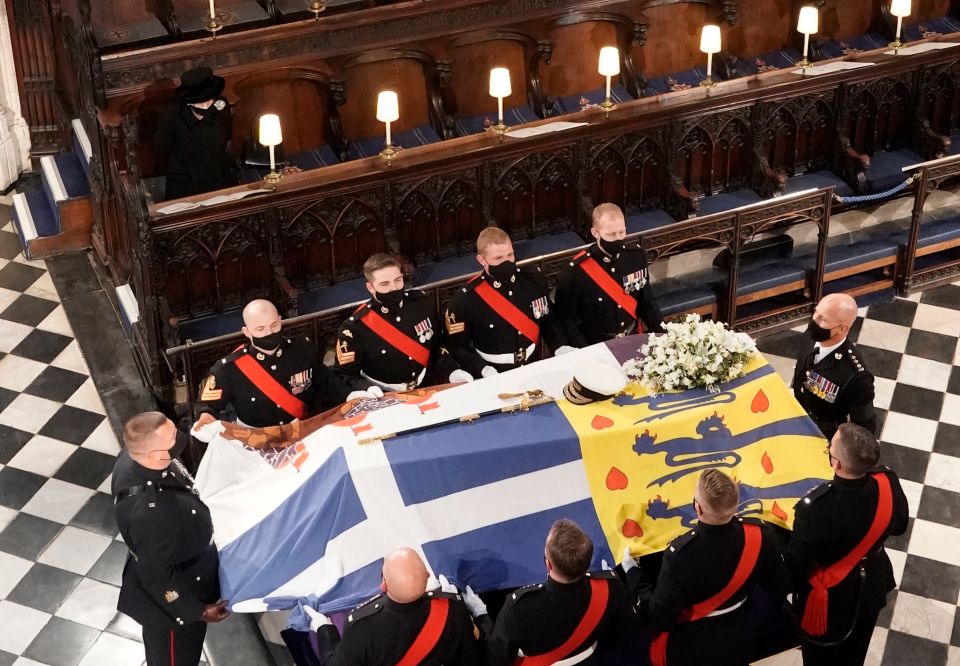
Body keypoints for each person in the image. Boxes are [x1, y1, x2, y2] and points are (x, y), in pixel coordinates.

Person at [624, 469, 789, 666]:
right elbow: (779, 585)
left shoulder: (680, 555)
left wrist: (632, 573)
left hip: (693, 646)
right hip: (741, 635)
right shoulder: (761, 536)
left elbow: (659, 616)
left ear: (698, 508)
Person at [112, 412, 230, 666]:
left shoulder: (138, 459)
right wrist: (196, 611)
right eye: (172, 439)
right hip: (172, 604)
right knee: (175, 659)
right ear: (154, 455)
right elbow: (156, 575)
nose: (179, 440)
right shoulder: (151, 514)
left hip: (181, 556)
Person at [785, 423, 908, 666]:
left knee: (822, 658)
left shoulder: (816, 509)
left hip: (831, 599)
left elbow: (798, 563)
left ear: (837, 463)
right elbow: (900, 527)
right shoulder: (888, 482)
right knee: (856, 653)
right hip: (872, 581)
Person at [196, 299, 380, 428]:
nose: (269, 332)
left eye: (274, 325)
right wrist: (206, 418)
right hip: (258, 442)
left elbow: (325, 381)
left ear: (280, 321)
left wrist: (351, 395)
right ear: (246, 331)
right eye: (260, 329)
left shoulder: (302, 349)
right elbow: (208, 406)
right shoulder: (228, 368)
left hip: (302, 432)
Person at [477, 518, 634, 664]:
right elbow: (625, 636)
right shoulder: (610, 588)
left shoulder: (519, 607)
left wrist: (482, 617)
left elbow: (496, 658)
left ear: (548, 565)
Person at [304, 547, 484, 665]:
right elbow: (472, 658)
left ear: (383, 585)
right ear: (428, 576)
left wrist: (325, 630)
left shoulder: (362, 627)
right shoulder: (452, 609)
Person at [335, 253, 471, 391]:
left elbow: (437, 346)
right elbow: (345, 374)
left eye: (398, 280)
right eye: (384, 284)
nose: (394, 288)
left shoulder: (422, 303)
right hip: (384, 397)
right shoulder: (355, 327)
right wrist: (367, 389)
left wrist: (452, 371)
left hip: (427, 387)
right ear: (370, 287)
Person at [443, 227, 566, 378]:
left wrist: (559, 346)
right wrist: (482, 369)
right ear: (482, 260)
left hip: (533, 364)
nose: (507, 262)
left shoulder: (533, 279)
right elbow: (458, 346)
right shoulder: (466, 299)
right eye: (498, 258)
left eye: (510, 255)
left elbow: (547, 319)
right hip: (494, 372)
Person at [555, 203, 665, 346]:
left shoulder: (635, 257)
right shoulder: (575, 271)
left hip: (632, 338)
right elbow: (566, 319)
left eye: (622, 232)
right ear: (596, 233)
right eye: (611, 234)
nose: (618, 239)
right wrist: (583, 352)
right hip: (596, 346)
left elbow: (647, 302)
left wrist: (664, 337)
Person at [792, 293, 876, 440]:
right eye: (816, 312)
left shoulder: (856, 376)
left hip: (824, 434)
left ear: (842, 329)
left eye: (823, 319)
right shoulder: (812, 335)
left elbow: (864, 429)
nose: (814, 320)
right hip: (797, 416)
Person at [155, 66, 238, 201]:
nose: (206, 105)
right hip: (186, 185)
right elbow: (161, 148)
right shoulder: (172, 115)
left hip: (219, 178)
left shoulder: (221, 105)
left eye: (209, 100)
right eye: (201, 102)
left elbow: (227, 133)